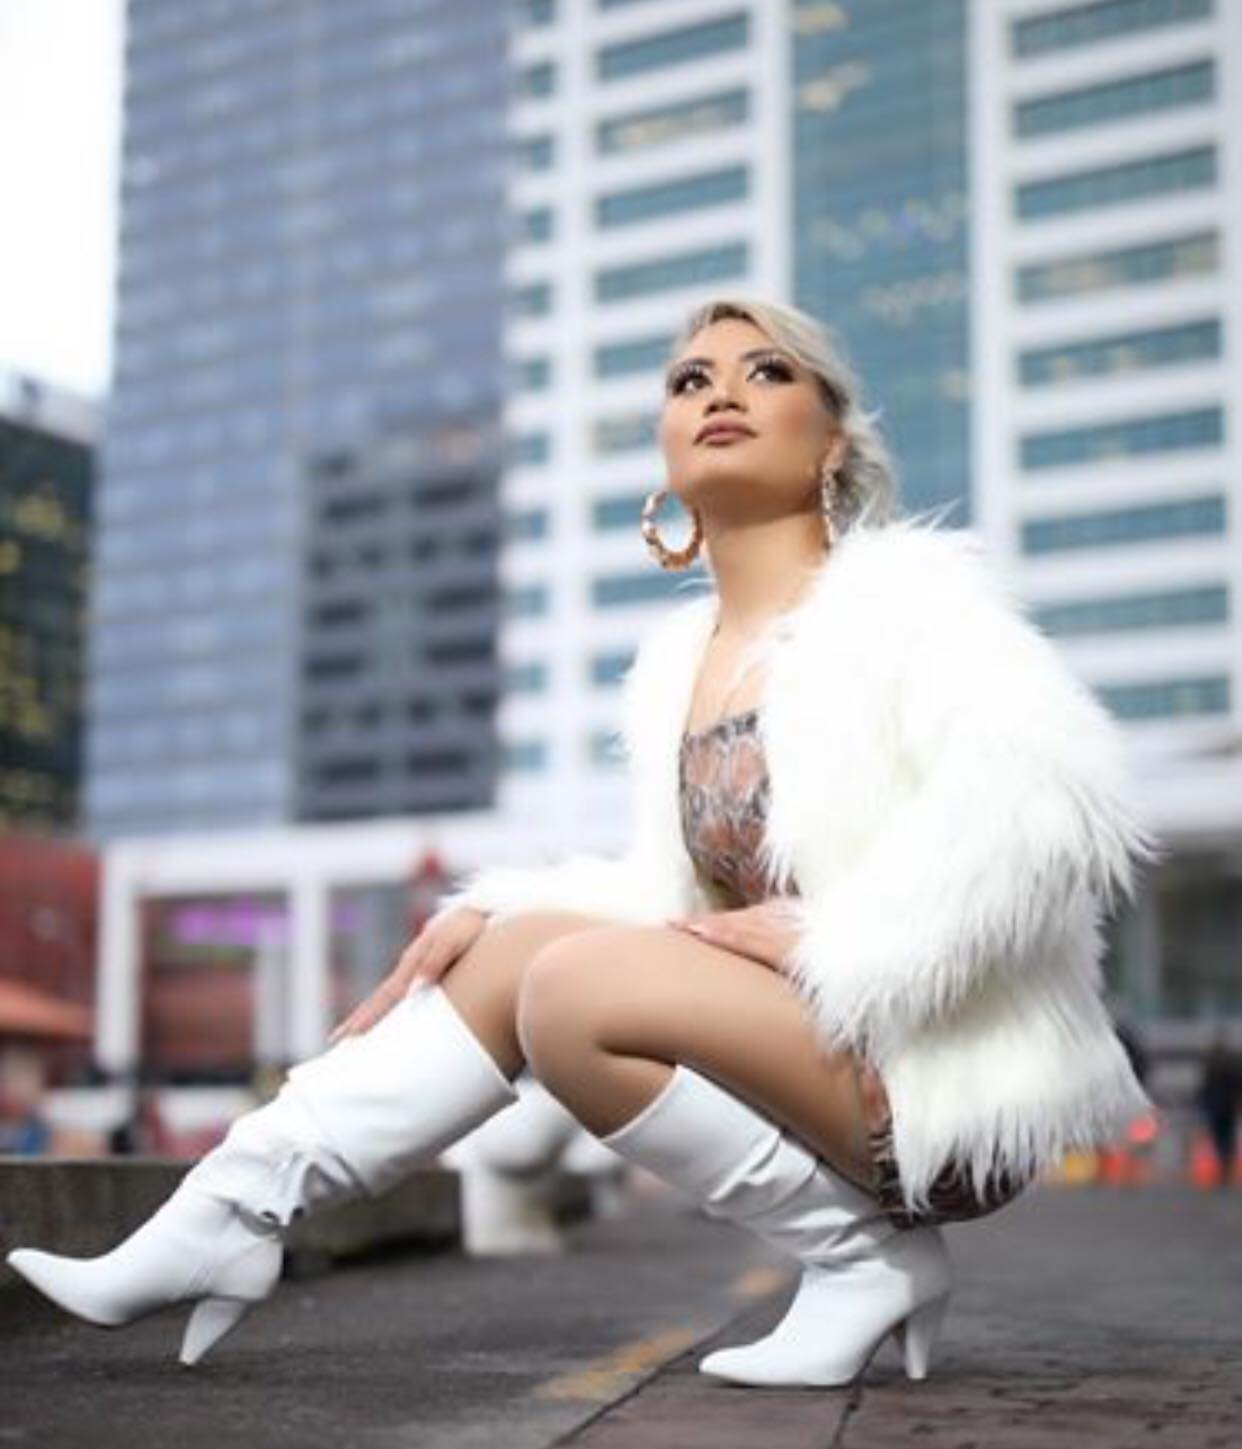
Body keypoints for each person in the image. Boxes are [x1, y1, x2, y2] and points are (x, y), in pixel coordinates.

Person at [5, 295, 1164, 1389]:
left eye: (767, 371)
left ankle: (860, 1257)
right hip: (808, 1054)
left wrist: (840, 937)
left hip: (932, 1078)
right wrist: (498, 910)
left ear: (831, 442)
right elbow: (674, 903)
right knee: (513, 950)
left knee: (570, 993)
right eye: (690, 379)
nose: (721, 391)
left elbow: (1056, 805)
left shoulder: (909, 606)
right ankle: (229, 1212)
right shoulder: (676, 667)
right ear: (666, 448)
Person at [1195, 1025, 1241, 1188]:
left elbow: (1205, 1086)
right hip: (1227, 1105)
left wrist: (1201, 1102)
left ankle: (1224, 1169)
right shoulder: (1232, 1061)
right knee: (1226, 1138)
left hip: (1217, 1106)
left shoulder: (1212, 1061)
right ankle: (1226, 1169)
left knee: (1220, 1138)